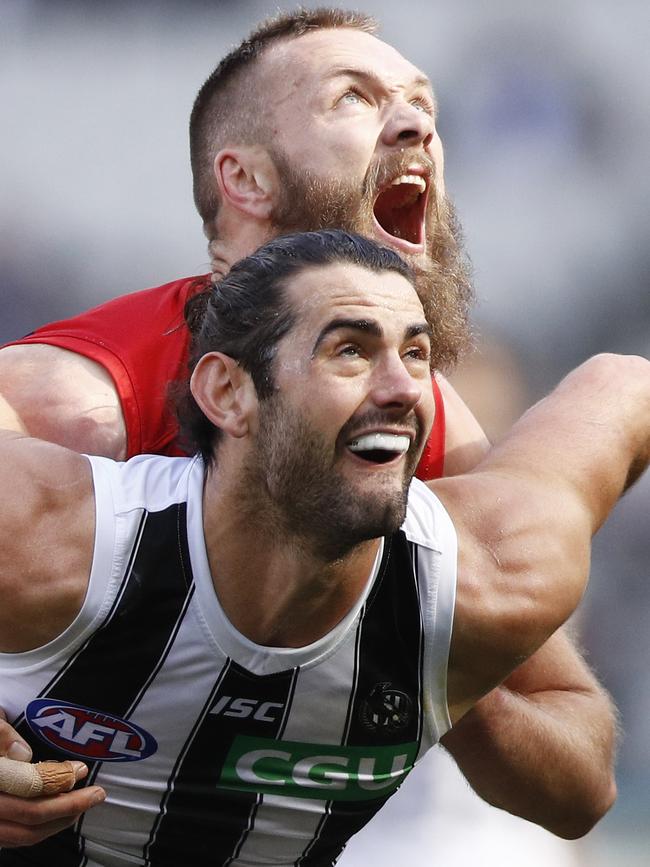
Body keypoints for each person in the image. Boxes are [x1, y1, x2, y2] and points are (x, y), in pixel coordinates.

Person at [0, 6, 617, 853]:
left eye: (422, 103)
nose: (417, 124)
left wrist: (432, 668)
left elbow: (578, 779)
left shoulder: (429, 438)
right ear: (245, 181)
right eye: (355, 99)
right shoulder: (75, 408)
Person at [0, 230, 648, 867]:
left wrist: (446, 681)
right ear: (228, 392)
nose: (404, 388)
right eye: (351, 350)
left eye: (418, 354)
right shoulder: (61, 536)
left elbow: (627, 389)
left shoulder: (486, 578)